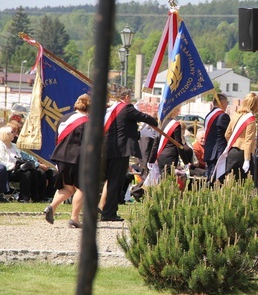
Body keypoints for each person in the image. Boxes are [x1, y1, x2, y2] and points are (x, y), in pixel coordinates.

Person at [102, 87, 158, 222]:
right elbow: (144, 117)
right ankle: (109, 213)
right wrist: (156, 122)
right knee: (116, 182)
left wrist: (139, 134)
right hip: (120, 151)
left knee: (111, 181)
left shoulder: (112, 109)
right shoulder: (127, 108)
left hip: (108, 149)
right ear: (126, 97)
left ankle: (107, 211)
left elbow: (123, 129)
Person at [44, 94, 91, 228]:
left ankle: (51, 208)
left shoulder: (64, 118)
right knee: (82, 188)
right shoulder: (86, 123)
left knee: (67, 188)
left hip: (60, 156)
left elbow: (57, 138)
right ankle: (74, 218)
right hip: (76, 158)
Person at [0, 126, 39, 202]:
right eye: (11, 132)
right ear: (5, 134)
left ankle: (36, 197)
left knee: (33, 172)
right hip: (6, 171)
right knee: (26, 174)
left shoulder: (14, 146)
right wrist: (13, 165)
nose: (14, 134)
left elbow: (21, 157)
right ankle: (23, 198)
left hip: (17, 169)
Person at [221, 92, 258, 181]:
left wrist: (234, 142)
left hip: (232, 152)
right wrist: (247, 160)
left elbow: (227, 134)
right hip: (244, 154)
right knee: (246, 184)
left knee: (229, 182)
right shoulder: (251, 119)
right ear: (255, 105)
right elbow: (248, 141)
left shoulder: (235, 115)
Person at [149, 107, 193, 176]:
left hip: (161, 156)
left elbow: (156, 143)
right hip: (170, 157)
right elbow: (178, 144)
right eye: (177, 109)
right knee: (168, 181)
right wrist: (185, 161)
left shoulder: (162, 123)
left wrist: (151, 159)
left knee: (162, 181)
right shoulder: (175, 125)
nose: (179, 111)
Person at [204, 93, 230, 183]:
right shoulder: (223, 116)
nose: (227, 105)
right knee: (216, 181)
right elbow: (229, 133)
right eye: (227, 102)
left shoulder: (209, 115)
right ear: (222, 103)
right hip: (218, 153)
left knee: (210, 178)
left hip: (209, 151)